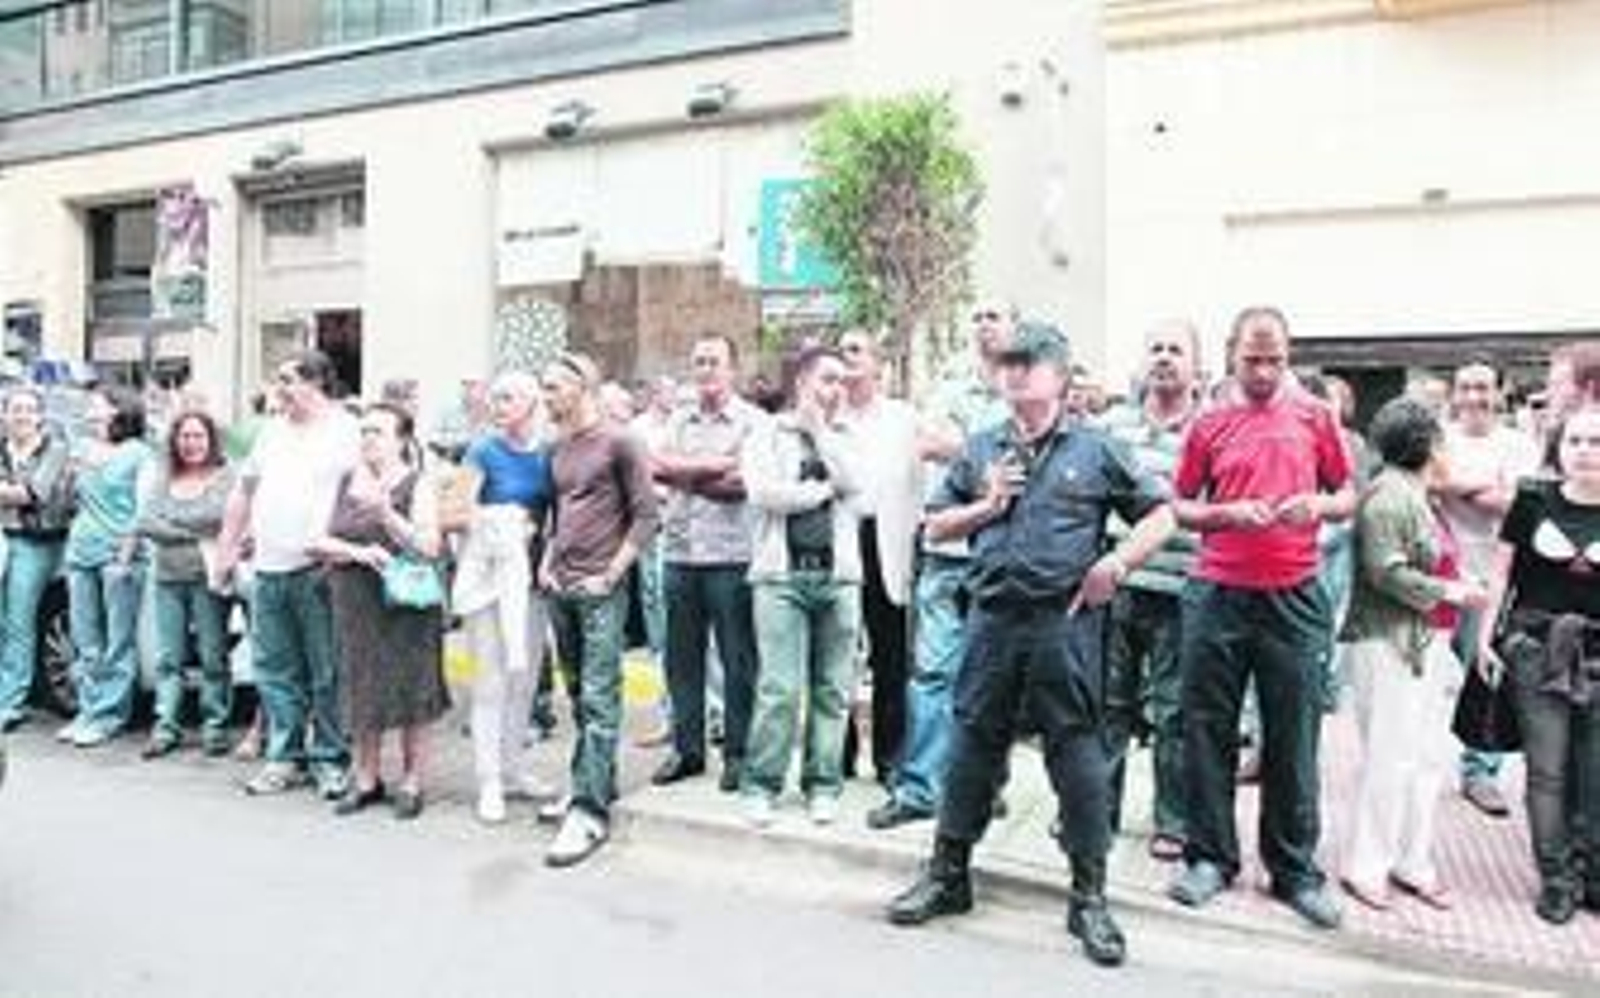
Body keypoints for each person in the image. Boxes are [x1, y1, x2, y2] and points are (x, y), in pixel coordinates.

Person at [884, 322, 1173, 968]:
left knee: (1077, 756)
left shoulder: (1098, 450)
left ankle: (1089, 898)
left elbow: (1162, 513)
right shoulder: (981, 446)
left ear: (1060, 374)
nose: (1014, 372)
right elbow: (936, 524)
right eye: (1008, 362)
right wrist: (987, 506)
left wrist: (1117, 566)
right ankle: (948, 874)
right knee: (970, 746)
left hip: (1063, 626)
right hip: (990, 622)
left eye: (1029, 361)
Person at [1166, 307, 1355, 931]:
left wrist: (1319, 504)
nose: (1266, 371)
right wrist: (1227, 514)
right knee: (1207, 730)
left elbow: (1349, 493)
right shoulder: (1209, 421)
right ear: (1231, 355)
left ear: (1289, 355)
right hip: (1216, 594)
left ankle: (1295, 870)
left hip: (1294, 595)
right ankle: (1209, 858)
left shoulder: (1315, 416)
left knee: (1294, 737)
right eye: (1253, 359)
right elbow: (1181, 506)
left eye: (1276, 359)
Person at [868, 301, 1014, 830]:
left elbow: (1026, 454)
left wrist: (967, 447)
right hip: (947, 552)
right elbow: (928, 444)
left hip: (1001, 555)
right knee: (931, 673)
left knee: (992, 679)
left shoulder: (1025, 386)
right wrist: (990, 454)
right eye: (976, 316)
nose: (984, 324)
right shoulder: (950, 385)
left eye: (995, 316)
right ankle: (919, 788)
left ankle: (984, 785)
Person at [1339, 397, 1488, 912]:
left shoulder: (1421, 497)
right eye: (1442, 439)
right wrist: (1452, 592)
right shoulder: (1388, 496)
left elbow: (1424, 565)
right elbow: (1385, 571)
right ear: (1426, 445)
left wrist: (1456, 585)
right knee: (1390, 758)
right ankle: (1366, 865)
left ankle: (1411, 860)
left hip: (1424, 642)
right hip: (1390, 642)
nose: (1449, 450)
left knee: (1424, 759)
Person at [215, 350, 361, 799]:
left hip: (317, 568)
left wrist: (342, 548)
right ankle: (285, 757)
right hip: (268, 568)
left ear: (316, 382)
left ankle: (331, 760)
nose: (277, 388)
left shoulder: (345, 430)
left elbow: (360, 495)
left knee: (327, 670)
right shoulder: (271, 432)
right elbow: (244, 491)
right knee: (274, 670)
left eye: (286, 379)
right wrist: (226, 549)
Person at [1478, 403, 1600, 925]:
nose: (1585, 453)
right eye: (1575, 441)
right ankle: (1554, 878)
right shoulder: (1531, 500)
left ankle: (1588, 871)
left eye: (1596, 442)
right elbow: (1501, 574)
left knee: (1595, 771)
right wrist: (1486, 637)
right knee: (1546, 771)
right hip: (1534, 648)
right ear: (1559, 446)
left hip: (1597, 654)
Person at [539, 352, 659, 867]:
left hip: (600, 589)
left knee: (601, 696)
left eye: (553, 388)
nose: (546, 398)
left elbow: (647, 515)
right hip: (560, 586)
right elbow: (556, 510)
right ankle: (590, 783)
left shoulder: (621, 441)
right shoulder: (557, 447)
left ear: (582, 387)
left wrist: (612, 574)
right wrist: (545, 560)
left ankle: (588, 813)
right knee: (579, 696)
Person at [739, 345, 865, 827]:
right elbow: (762, 492)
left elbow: (858, 486)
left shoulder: (846, 434)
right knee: (779, 689)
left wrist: (820, 435)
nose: (836, 390)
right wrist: (819, 492)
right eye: (827, 380)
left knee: (834, 689)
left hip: (839, 577)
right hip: (780, 577)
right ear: (802, 384)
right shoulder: (767, 432)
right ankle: (762, 784)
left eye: (842, 382)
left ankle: (823, 785)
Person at [310, 402, 449, 820]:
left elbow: (429, 546)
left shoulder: (418, 483)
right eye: (364, 431)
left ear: (402, 440)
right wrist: (359, 551)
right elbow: (315, 540)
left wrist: (387, 515)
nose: (368, 439)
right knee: (361, 686)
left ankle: (412, 781)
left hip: (406, 603)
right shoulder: (342, 481)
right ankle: (366, 778)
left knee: (412, 688)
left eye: (378, 432)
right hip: (354, 600)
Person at [1098, 319, 1203, 861]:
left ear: (1195, 365)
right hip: (1117, 584)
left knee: (1173, 712)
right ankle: (1097, 812)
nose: (1164, 358)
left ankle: (1172, 822)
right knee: (1107, 705)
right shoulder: (1112, 425)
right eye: (1155, 348)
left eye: (1175, 350)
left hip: (1182, 590)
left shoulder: (1209, 427)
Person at [650, 336, 766, 793]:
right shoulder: (678, 418)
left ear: (732, 369)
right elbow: (655, 467)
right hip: (680, 553)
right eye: (698, 362)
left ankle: (738, 754)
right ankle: (688, 751)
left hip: (732, 555)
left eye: (714, 361)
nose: (705, 370)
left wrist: (685, 473)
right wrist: (710, 468)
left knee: (739, 660)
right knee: (681, 660)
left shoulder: (755, 422)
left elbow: (743, 483)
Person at [1437, 358, 1540, 818]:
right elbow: (1429, 484)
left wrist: (1456, 489)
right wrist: (1484, 488)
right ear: (1453, 394)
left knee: (1485, 674)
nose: (1475, 397)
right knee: (1435, 673)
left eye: (1483, 388)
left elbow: (1521, 505)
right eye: (1466, 387)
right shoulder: (1440, 438)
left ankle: (1481, 771)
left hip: (1496, 576)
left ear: (1499, 392)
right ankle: (1422, 760)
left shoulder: (1519, 445)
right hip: (1442, 575)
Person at [451, 371, 555, 824]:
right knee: (490, 681)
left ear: (532, 403)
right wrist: (503, 520)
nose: (498, 404)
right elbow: (454, 510)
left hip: (533, 581)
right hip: (488, 580)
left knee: (524, 679)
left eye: (508, 397)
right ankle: (489, 780)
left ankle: (514, 769)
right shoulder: (482, 449)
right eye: (494, 398)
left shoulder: (550, 450)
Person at [838, 330, 923, 784]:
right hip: (839, 540)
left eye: (855, 350)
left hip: (887, 541)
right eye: (841, 351)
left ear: (877, 364)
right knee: (836, 653)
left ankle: (891, 758)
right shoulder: (827, 417)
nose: (846, 359)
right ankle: (839, 755)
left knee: (890, 656)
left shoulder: (902, 418)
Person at [138, 410, 236, 758]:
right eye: (184, 436)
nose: (191, 443)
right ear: (174, 441)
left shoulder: (225, 475)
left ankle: (215, 726)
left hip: (208, 577)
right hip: (167, 577)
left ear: (210, 440)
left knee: (213, 654)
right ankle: (166, 726)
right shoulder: (164, 476)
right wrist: (193, 536)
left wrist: (175, 525)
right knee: (169, 658)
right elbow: (146, 521)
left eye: (197, 436)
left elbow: (220, 515)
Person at [57, 387, 150, 747]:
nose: (90, 410)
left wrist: (126, 556)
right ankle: (88, 708)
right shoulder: (81, 449)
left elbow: (142, 509)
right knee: (85, 639)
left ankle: (109, 714)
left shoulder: (138, 453)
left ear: (118, 411)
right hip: (80, 550)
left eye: (98, 405)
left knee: (117, 641)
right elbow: (66, 497)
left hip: (117, 554)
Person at [0, 386, 73, 732]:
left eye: (29, 410)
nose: (22, 416)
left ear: (41, 416)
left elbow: (33, 494)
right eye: (15, 409)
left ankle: (11, 701)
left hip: (37, 543)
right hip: (2, 539)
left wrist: (13, 492)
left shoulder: (54, 450)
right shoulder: (2, 448)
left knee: (19, 620)